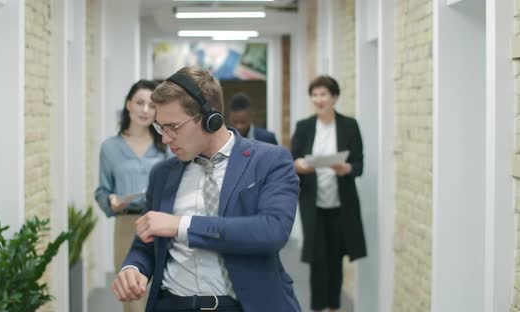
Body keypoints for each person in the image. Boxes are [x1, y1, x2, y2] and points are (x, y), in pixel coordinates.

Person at [111, 66, 301, 312]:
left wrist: (181, 225)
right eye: (160, 128)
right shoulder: (162, 174)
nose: (165, 139)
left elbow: (273, 230)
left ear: (211, 119)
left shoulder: (269, 161)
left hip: (244, 305)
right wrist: (133, 268)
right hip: (173, 304)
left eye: (173, 127)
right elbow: (146, 243)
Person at [291, 75, 366, 312]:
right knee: (316, 259)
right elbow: (292, 162)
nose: (318, 99)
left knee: (335, 260)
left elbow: (359, 165)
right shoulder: (304, 127)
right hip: (313, 204)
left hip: (341, 204)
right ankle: (316, 308)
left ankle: (334, 307)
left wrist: (346, 169)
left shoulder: (349, 125)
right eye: (315, 95)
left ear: (334, 97)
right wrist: (300, 165)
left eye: (323, 94)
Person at [95, 79, 169, 312]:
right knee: (132, 294)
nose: (145, 110)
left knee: (164, 289)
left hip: (161, 223)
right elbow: (102, 190)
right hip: (127, 224)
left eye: (151, 105)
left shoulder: (165, 146)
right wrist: (110, 201)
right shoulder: (110, 148)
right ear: (128, 105)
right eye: (139, 103)